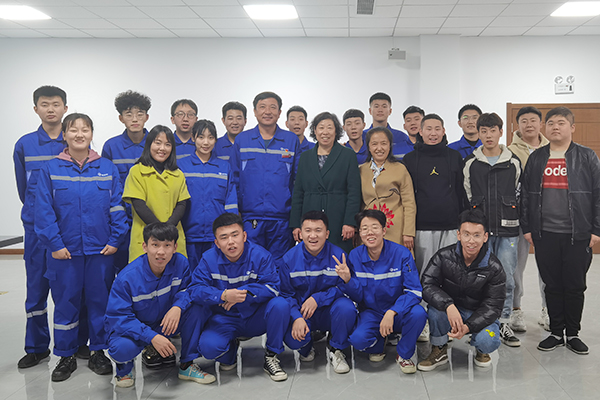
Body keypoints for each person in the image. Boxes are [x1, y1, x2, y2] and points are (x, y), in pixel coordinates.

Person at [35, 113, 128, 382]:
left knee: (100, 302)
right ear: (64, 135)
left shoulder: (107, 168)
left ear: (91, 134)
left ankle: (98, 351)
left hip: (101, 251)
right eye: (73, 130)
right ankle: (66, 355)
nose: (79, 134)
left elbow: (117, 207)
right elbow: (43, 211)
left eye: (85, 129)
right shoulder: (51, 169)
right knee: (66, 303)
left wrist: (115, 240)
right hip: (64, 252)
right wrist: (54, 244)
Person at [14, 86, 85, 368]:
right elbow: (24, 189)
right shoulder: (25, 144)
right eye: (45, 104)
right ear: (36, 109)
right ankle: (37, 347)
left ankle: (76, 344)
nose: (51, 109)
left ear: (65, 108)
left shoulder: (73, 141)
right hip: (35, 231)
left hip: (68, 231)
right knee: (36, 289)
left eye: (56, 104)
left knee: (71, 291)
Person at [521, 106, 600, 355]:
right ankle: (556, 332)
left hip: (578, 233)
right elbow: (526, 195)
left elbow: (598, 194)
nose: (555, 127)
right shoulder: (537, 158)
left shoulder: (586, 156)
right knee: (552, 284)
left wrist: (596, 229)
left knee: (575, 285)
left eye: (561, 123)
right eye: (551, 123)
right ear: (545, 127)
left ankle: (573, 333)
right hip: (545, 233)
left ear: (572, 127)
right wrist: (527, 227)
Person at [105, 222, 214, 388]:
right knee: (121, 348)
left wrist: (177, 307)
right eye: (155, 245)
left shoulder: (181, 263)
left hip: (164, 323)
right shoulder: (127, 278)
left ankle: (187, 365)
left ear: (175, 247)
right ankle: (124, 369)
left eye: (167, 245)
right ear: (145, 247)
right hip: (136, 329)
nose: (161, 252)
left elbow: (188, 290)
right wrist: (151, 337)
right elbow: (119, 317)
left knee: (197, 308)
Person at [188, 213, 290, 381]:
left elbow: (274, 287)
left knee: (280, 305)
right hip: (224, 318)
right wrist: (222, 295)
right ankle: (230, 351)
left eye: (235, 235)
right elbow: (195, 290)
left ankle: (271, 355)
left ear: (244, 236)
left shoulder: (260, 255)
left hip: (255, 316)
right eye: (224, 237)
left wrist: (243, 293)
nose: (231, 241)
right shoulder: (208, 259)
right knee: (209, 349)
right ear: (217, 243)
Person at [335, 210, 427, 374]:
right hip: (372, 313)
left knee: (418, 313)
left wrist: (392, 312)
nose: (369, 232)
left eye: (374, 227)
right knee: (358, 341)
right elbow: (357, 296)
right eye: (364, 228)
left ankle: (403, 354)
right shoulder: (355, 256)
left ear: (384, 230)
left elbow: (414, 291)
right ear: (359, 233)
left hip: (398, 312)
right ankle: (380, 340)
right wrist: (348, 281)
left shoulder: (401, 254)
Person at [403, 114, 468, 342]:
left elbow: (461, 192)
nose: (433, 133)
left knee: (449, 275)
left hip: (450, 226)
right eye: (428, 129)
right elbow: (407, 197)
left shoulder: (454, 156)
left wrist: (462, 224)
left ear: (443, 131)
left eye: (437, 128)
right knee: (423, 275)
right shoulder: (410, 159)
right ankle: (422, 321)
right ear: (420, 132)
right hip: (422, 227)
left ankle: (445, 319)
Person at [418, 209, 505, 371]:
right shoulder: (443, 256)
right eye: (466, 234)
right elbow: (427, 284)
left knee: (489, 340)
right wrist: (448, 305)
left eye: (477, 235)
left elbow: (493, 306)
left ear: (485, 237)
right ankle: (439, 348)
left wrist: (468, 326)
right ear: (458, 235)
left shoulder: (494, 267)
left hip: (478, 313)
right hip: (451, 311)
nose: (471, 241)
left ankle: (482, 350)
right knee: (435, 311)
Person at [463, 112, 522, 348]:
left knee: (506, 277)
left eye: (493, 130)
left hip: (508, 230)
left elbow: (519, 194)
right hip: (480, 233)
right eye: (484, 131)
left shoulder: (513, 162)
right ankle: (480, 322)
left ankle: (504, 322)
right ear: (478, 133)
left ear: (501, 132)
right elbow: (467, 196)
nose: (488, 135)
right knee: (478, 278)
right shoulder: (471, 163)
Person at [280, 211, 357, 374]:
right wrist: (296, 317)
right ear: (300, 233)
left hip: (329, 310)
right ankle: (306, 347)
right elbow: (286, 294)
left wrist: (318, 298)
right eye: (308, 230)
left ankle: (336, 348)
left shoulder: (339, 256)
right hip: (303, 312)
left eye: (318, 230)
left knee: (347, 308)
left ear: (327, 234)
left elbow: (344, 290)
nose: (313, 236)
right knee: (294, 340)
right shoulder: (289, 259)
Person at [230, 91, 299, 260]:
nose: (267, 111)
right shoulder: (242, 140)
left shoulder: (291, 140)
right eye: (262, 107)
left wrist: (296, 217)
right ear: (254, 111)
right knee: (252, 262)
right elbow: (233, 179)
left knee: (281, 264)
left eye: (272, 107)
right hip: (250, 217)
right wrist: (236, 212)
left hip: (282, 218)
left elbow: (297, 181)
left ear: (280, 112)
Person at [290, 111, 361, 254]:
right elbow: (298, 192)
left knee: (339, 257)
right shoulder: (305, 157)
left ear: (336, 131)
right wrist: (296, 224)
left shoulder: (347, 155)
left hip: (338, 218)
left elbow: (354, 192)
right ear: (314, 130)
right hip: (310, 216)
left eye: (329, 127)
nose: (325, 132)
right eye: (321, 127)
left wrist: (350, 222)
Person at [507, 106, 550, 333]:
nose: (529, 124)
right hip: (518, 217)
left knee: (548, 266)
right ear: (517, 125)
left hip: (548, 216)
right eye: (524, 121)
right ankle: (516, 309)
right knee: (516, 266)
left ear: (540, 123)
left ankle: (547, 309)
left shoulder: (553, 148)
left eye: (533, 120)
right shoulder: (509, 152)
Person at [123, 125, 190, 263]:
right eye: (157, 143)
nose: (162, 148)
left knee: (176, 274)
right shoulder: (137, 172)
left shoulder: (178, 174)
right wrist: (161, 230)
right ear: (149, 144)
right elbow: (138, 205)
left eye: (167, 144)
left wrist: (169, 228)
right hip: (145, 237)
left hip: (173, 237)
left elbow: (182, 203)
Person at [102, 90, 152, 272]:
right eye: (129, 114)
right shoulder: (111, 146)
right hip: (122, 219)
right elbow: (107, 186)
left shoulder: (157, 144)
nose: (135, 119)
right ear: (121, 118)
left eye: (140, 114)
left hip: (150, 217)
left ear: (147, 117)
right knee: (123, 269)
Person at [179, 119, 238, 270]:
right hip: (189, 235)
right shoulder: (181, 166)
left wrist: (230, 232)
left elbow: (231, 202)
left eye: (210, 138)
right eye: (201, 137)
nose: (206, 142)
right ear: (193, 138)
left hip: (217, 236)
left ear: (215, 140)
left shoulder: (224, 167)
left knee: (217, 273)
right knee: (189, 274)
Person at [360, 126, 416, 249]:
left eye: (384, 143)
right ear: (368, 146)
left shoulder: (400, 169)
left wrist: (408, 232)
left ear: (390, 146)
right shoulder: (361, 170)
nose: (379, 148)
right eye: (374, 144)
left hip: (396, 228)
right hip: (369, 229)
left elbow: (409, 203)